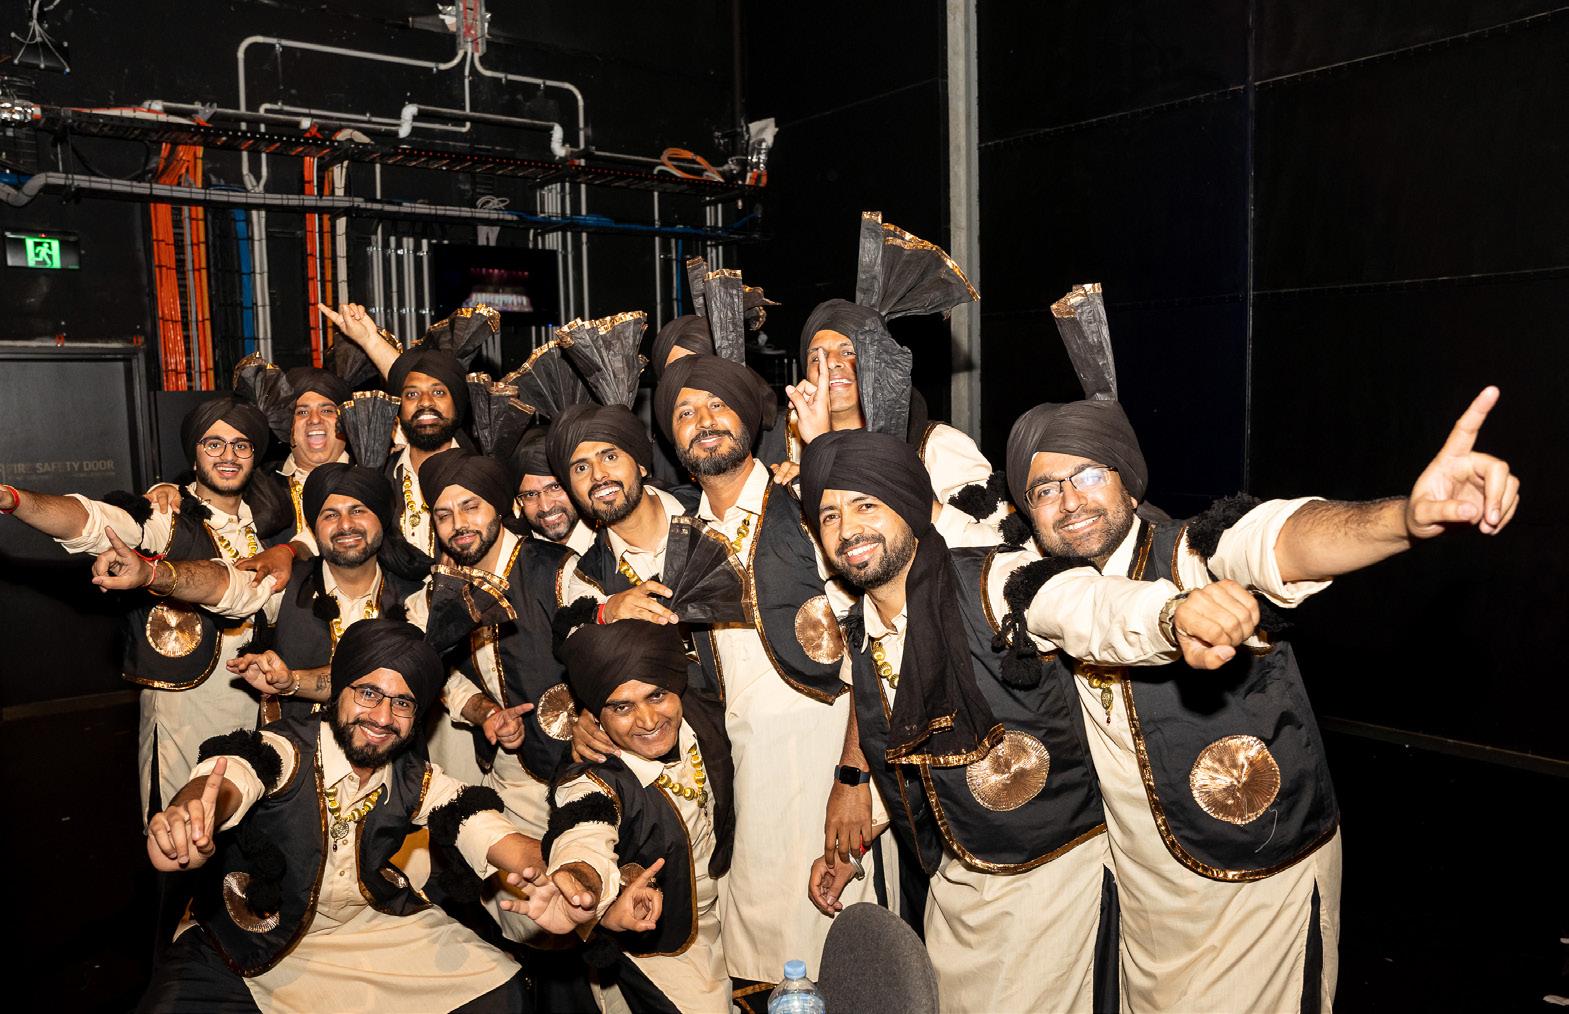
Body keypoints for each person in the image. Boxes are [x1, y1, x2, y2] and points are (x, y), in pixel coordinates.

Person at [1002, 387, 1520, 1012]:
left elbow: (1277, 541)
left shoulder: (1193, 552)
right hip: (1145, 890)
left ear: (1129, 485)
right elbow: (1090, 611)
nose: (1070, 501)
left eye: (1088, 474)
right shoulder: (1042, 588)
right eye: (1045, 489)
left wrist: (1403, 519)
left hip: (1257, 880)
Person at [798, 428, 1260, 1012]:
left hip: (1053, 888)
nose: (848, 529)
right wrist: (852, 847)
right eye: (830, 515)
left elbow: (1085, 606)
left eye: (866, 505)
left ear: (910, 506)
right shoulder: (866, 634)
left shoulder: (993, 581)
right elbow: (921, 760)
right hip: (956, 897)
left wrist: (1170, 615)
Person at [622, 352, 882, 1009]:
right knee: (763, 968)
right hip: (745, 781)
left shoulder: (808, 508)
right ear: (672, 442)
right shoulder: (684, 541)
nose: (703, 420)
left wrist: (854, 781)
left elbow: (876, 646)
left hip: (831, 768)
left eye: (717, 404)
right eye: (684, 412)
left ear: (747, 418)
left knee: (848, 963)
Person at [136, 619, 552, 1012]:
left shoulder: (415, 778)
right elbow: (231, 777)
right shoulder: (285, 751)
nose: (383, 718)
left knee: (500, 991)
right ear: (338, 692)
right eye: (368, 694)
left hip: (366, 928)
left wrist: (558, 876)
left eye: (402, 703)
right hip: (251, 941)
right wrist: (193, 815)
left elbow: (488, 831)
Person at [0, 396, 289, 817]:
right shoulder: (165, 516)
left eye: (241, 445)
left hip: (264, 704)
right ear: (195, 453)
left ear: (254, 454)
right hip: (185, 711)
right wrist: (14, 500)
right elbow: (94, 521)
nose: (228, 455)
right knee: (184, 827)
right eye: (214, 443)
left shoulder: (269, 521)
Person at [91, 463, 428, 726]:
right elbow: (225, 584)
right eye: (330, 515)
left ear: (382, 519)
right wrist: (153, 573)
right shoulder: (289, 585)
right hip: (298, 765)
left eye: (358, 511)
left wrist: (293, 681)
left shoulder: (416, 596)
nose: (345, 525)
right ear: (314, 528)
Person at [540, 620, 736, 1012]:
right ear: (595, 716)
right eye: (622, 707)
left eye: (656, 695)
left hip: (733, 909)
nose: (647, 721)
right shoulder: (596, 780)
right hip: (664, 945)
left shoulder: (699, 715)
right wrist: (585, 882)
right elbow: (583, 828)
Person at [420, 449, 579, 841]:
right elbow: (443, 674)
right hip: (509, 782)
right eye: (444, 515)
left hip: (586, 771)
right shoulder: (441, 592)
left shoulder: (559, 570)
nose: (459, 525)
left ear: (501, 505)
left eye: (471, 507)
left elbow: (606, 664)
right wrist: (486, 712)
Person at [546, 401, 697, 612]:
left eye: (610, 457)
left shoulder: (711, 513)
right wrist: (606, 613)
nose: (598, 475)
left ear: (641, 466)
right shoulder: (589, 579)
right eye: (581, 468)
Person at [513, 428, 595, 555]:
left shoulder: (614, 540)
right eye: (530, 494)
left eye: (555, 487)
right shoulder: (514, 551)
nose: (545, 506)